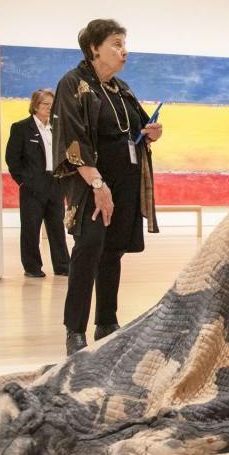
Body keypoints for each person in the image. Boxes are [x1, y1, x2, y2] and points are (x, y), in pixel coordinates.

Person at [52, 19, 163, 356]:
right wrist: (98, 183)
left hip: (124, 183)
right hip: (92, 184)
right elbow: (73, 140)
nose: (124, 51)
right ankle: (74, 330)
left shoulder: (121, 88)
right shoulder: (74, 84)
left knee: (112, 252)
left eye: (124, 43)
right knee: (88, 250)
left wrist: (153, 131)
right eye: (116, 43)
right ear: (94, 48)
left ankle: (106, 322)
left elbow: (140, 126)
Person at [5, 88, 69, 278]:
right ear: (35, 105)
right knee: (31, 228)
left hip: (55, 184)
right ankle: (32, 267)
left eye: (52, 105)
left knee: (57, 227)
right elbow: (12, 159)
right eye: (45, 104)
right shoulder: (21, 128)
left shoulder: (57, 128)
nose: (49, 108)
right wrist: (24, 181)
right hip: (32, 187)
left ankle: (63, 265)